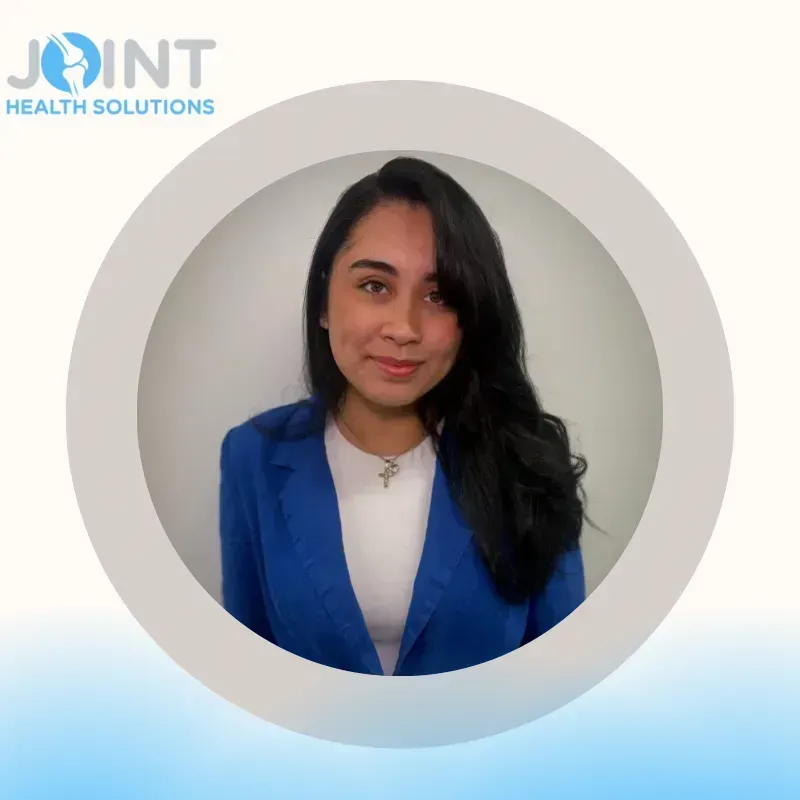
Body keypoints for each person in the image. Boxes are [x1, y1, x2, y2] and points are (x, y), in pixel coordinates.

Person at [218, 156, 588, 676]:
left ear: (470, 319)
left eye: (439, 296)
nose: (405, 328)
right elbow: (246, 658)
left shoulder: (528, 456)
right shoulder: (251, 455)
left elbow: (564, 668)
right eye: (375, 286)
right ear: (323, 302)